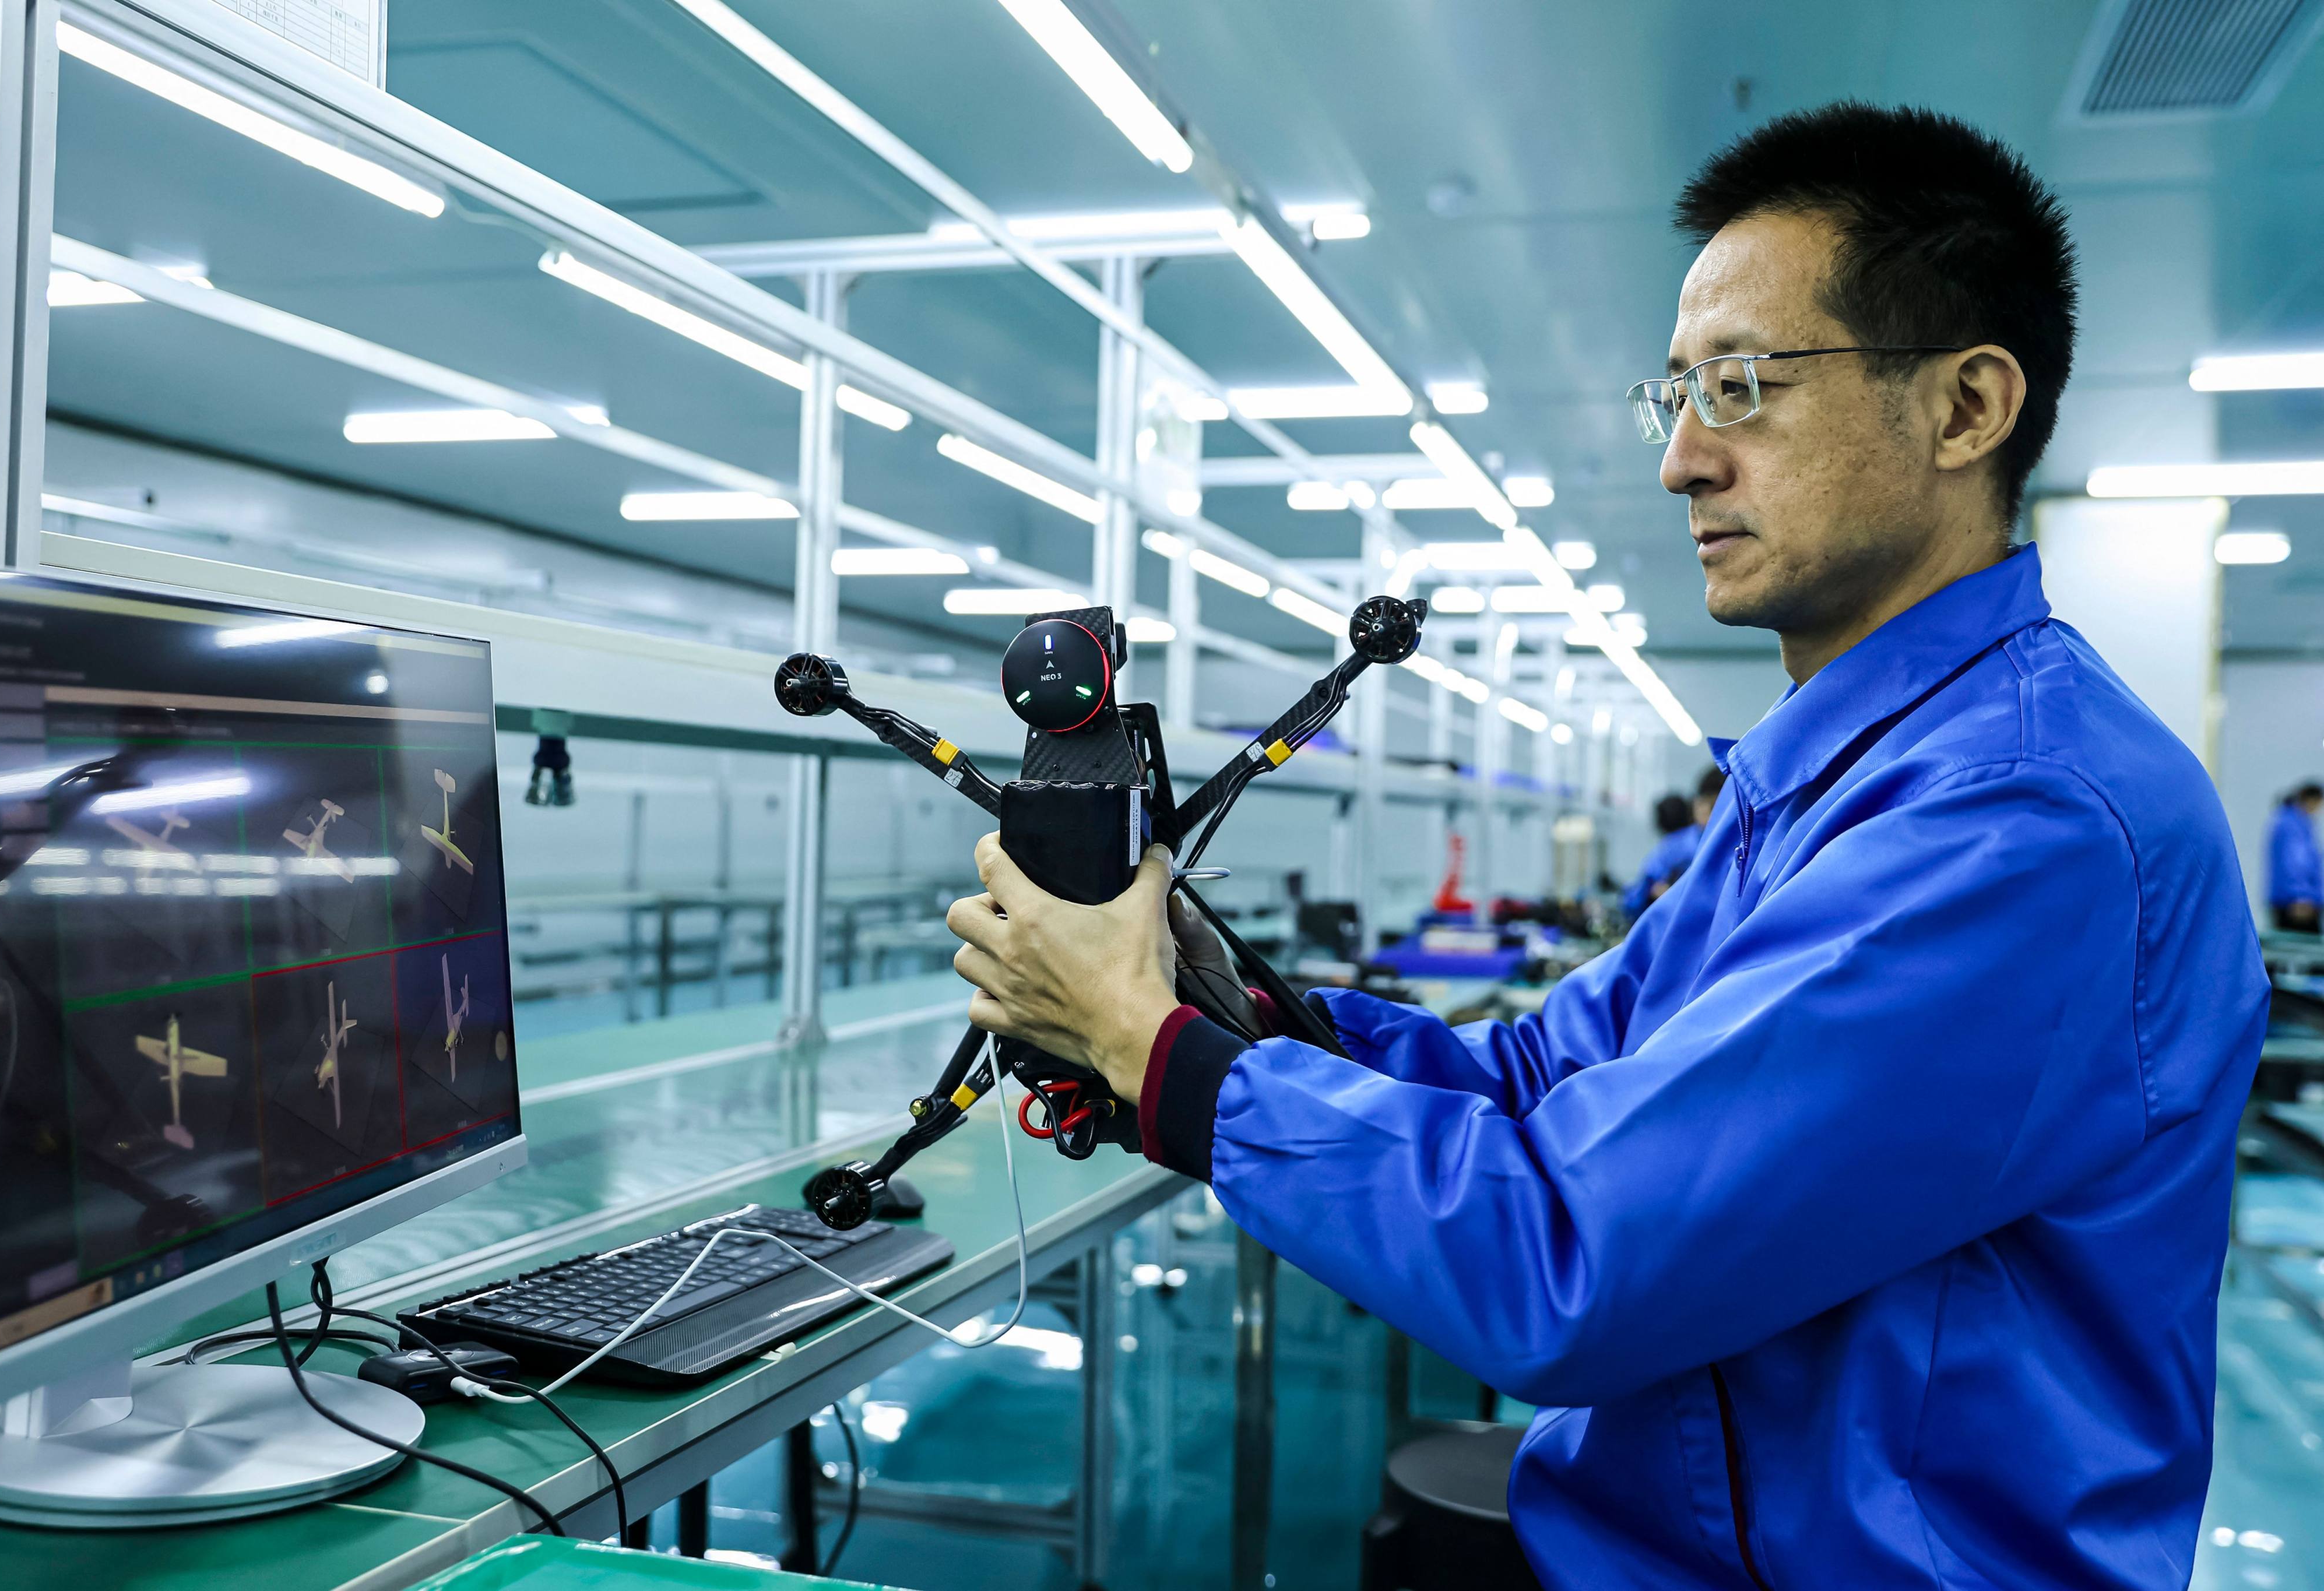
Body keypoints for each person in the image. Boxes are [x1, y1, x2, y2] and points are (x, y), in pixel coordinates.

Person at [947, 102, 2267, 1589]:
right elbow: (1543, 1086)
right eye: (1678, 395)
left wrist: (1158, 1056)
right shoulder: (1834, 788)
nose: (1682, 462)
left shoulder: (2022, 828)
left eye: (1749, 386)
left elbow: (1574, 1256)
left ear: (1966, 409)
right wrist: (1224, 1010)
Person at [1620, 767, 1725, 919]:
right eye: (1702, 803)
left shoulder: (1738, 847)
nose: (1706, 812)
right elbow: (1641, 894)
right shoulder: (1677, 846)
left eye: (1714, 805)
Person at [2272, 781, 2324, 932]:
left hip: (2292, 901)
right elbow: (2296, 863)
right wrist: (2301, 897)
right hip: (2298, 905)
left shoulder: (2290, 822)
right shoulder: (2294, 826)